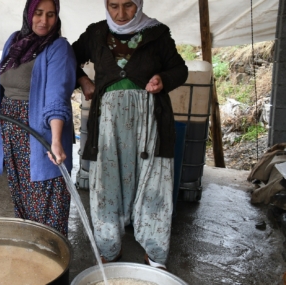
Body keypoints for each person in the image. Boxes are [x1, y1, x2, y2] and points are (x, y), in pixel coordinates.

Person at [71, 0, 188, 269]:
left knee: (153, 183)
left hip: (150, 123)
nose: (121, 14)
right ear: (106, 5)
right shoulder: (96, 33)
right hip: (108, 125)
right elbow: (68, 57)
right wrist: (84, 79)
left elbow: (179, 69)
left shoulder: (157, 33)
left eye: (128, 6)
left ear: (139, 4)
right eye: (113, 6)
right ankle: (110, 249)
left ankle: (155, 252)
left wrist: (163, 79)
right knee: (107, 185)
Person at [0, 0, 76, 237]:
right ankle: (31, 256)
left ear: (57, 18)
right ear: (28, 13)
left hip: (42, 135)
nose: (43, 21)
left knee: (45, 202)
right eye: (38, 13)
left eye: (51, 15)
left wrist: (55, 140)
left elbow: (58, 96)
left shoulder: (58, 48)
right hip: (13, 134)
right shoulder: (15, 41)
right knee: (23, 199)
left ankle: (53, 261)